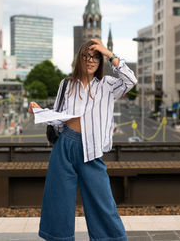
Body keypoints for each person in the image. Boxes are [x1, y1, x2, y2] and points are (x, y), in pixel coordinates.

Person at [29, 39, 137, 241]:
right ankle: (58, 237)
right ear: (79, 59)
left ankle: (110, 238)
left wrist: (108, 53)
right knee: (58, 199)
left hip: (92, 149)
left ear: (100, 60)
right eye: (86, 56)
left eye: (95, 57)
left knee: (101, 200)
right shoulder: (66, 84)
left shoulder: (108, 85)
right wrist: (40, 111)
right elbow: (59, 118)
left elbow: (131, 80)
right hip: (65, 145)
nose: (90, 60)